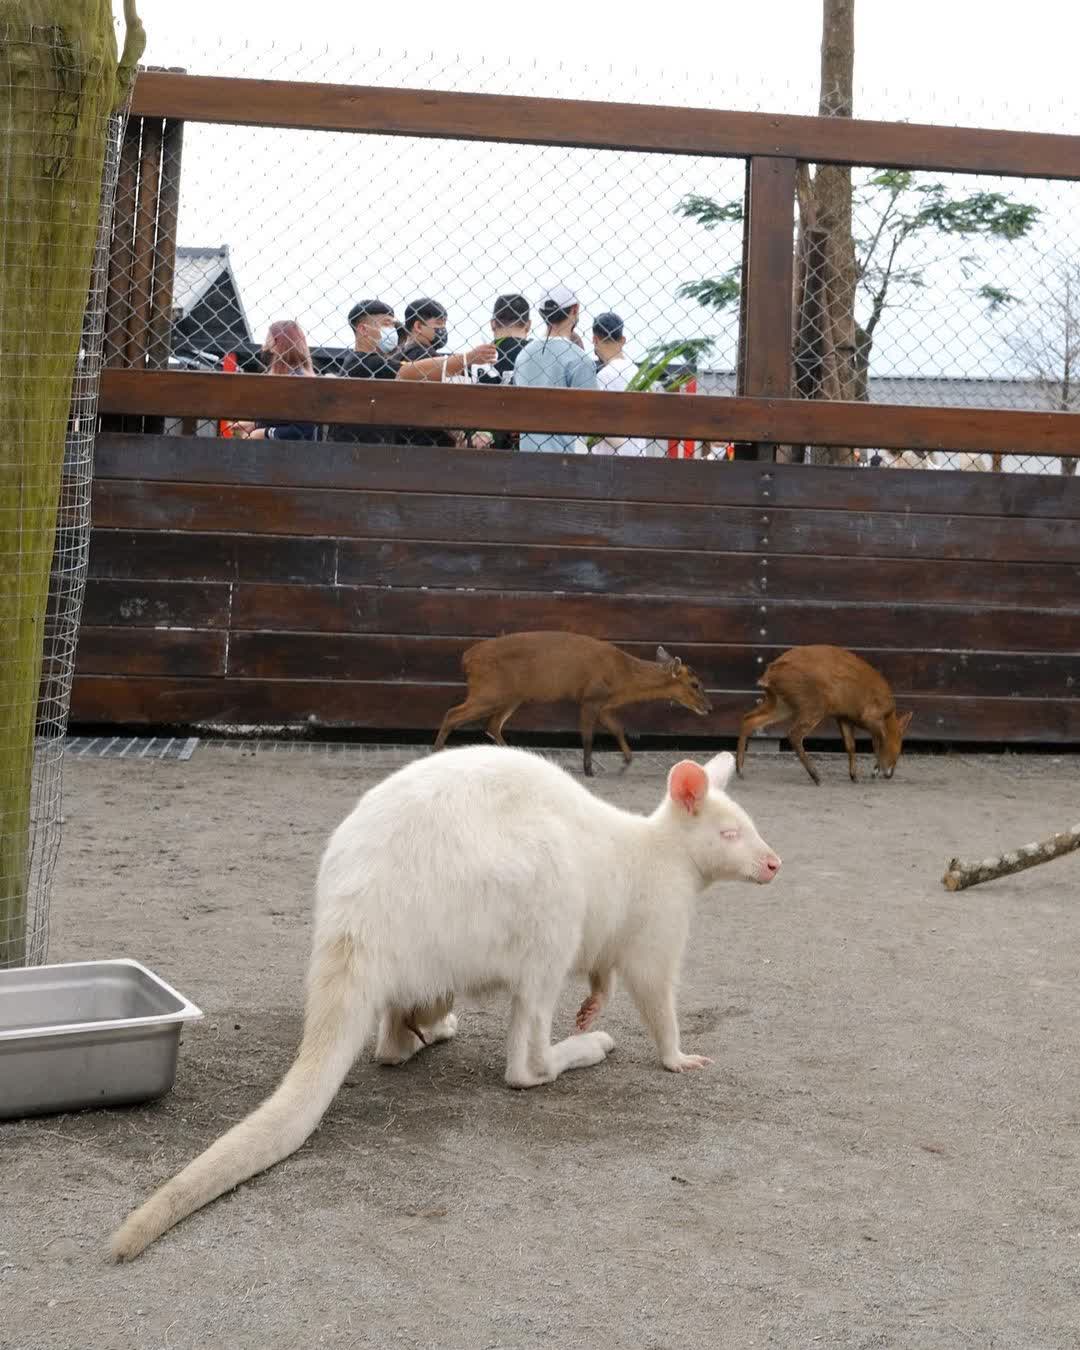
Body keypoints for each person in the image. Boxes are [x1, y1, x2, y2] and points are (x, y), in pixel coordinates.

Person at [326, 299, 495, 445]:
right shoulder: (363, 361)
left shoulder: (374, 361)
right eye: (386, 324)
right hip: (360, 451)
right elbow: (408, 371)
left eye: (393, 324)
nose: (392, 329)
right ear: (363, 330)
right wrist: (467, 358)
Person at [397, 296, 497, 447]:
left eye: (444, 324)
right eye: (438, 323)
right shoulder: (422, 355)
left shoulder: (399, 354)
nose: (443, 329)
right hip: (429, 441)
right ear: (418, 326)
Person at [512, 285, 597, 453]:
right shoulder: (579, 359)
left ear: (542, 313)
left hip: (528, 457)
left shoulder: (523, 355)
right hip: (567, 461)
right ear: (575, 309)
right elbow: (592, 419)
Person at [226, 320, 318, 441]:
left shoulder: (298, 380)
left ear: (277, 343)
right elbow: (283, 420)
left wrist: (264, 433)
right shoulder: (293, 376)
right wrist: (255, 425)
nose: (264, 346)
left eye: (268, 339)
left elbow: (301, 430)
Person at [470, 293, 532, 450]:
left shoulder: (478, 356)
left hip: (485, 449)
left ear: (493, 324)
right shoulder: (538, 355)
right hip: (530, 446)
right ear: (528, 325)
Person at [590, 311, 644, 456]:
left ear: (595, 340)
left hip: (609, 461)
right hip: (639, 455)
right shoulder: (639, 374)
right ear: (623, 340)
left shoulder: (603, 376)